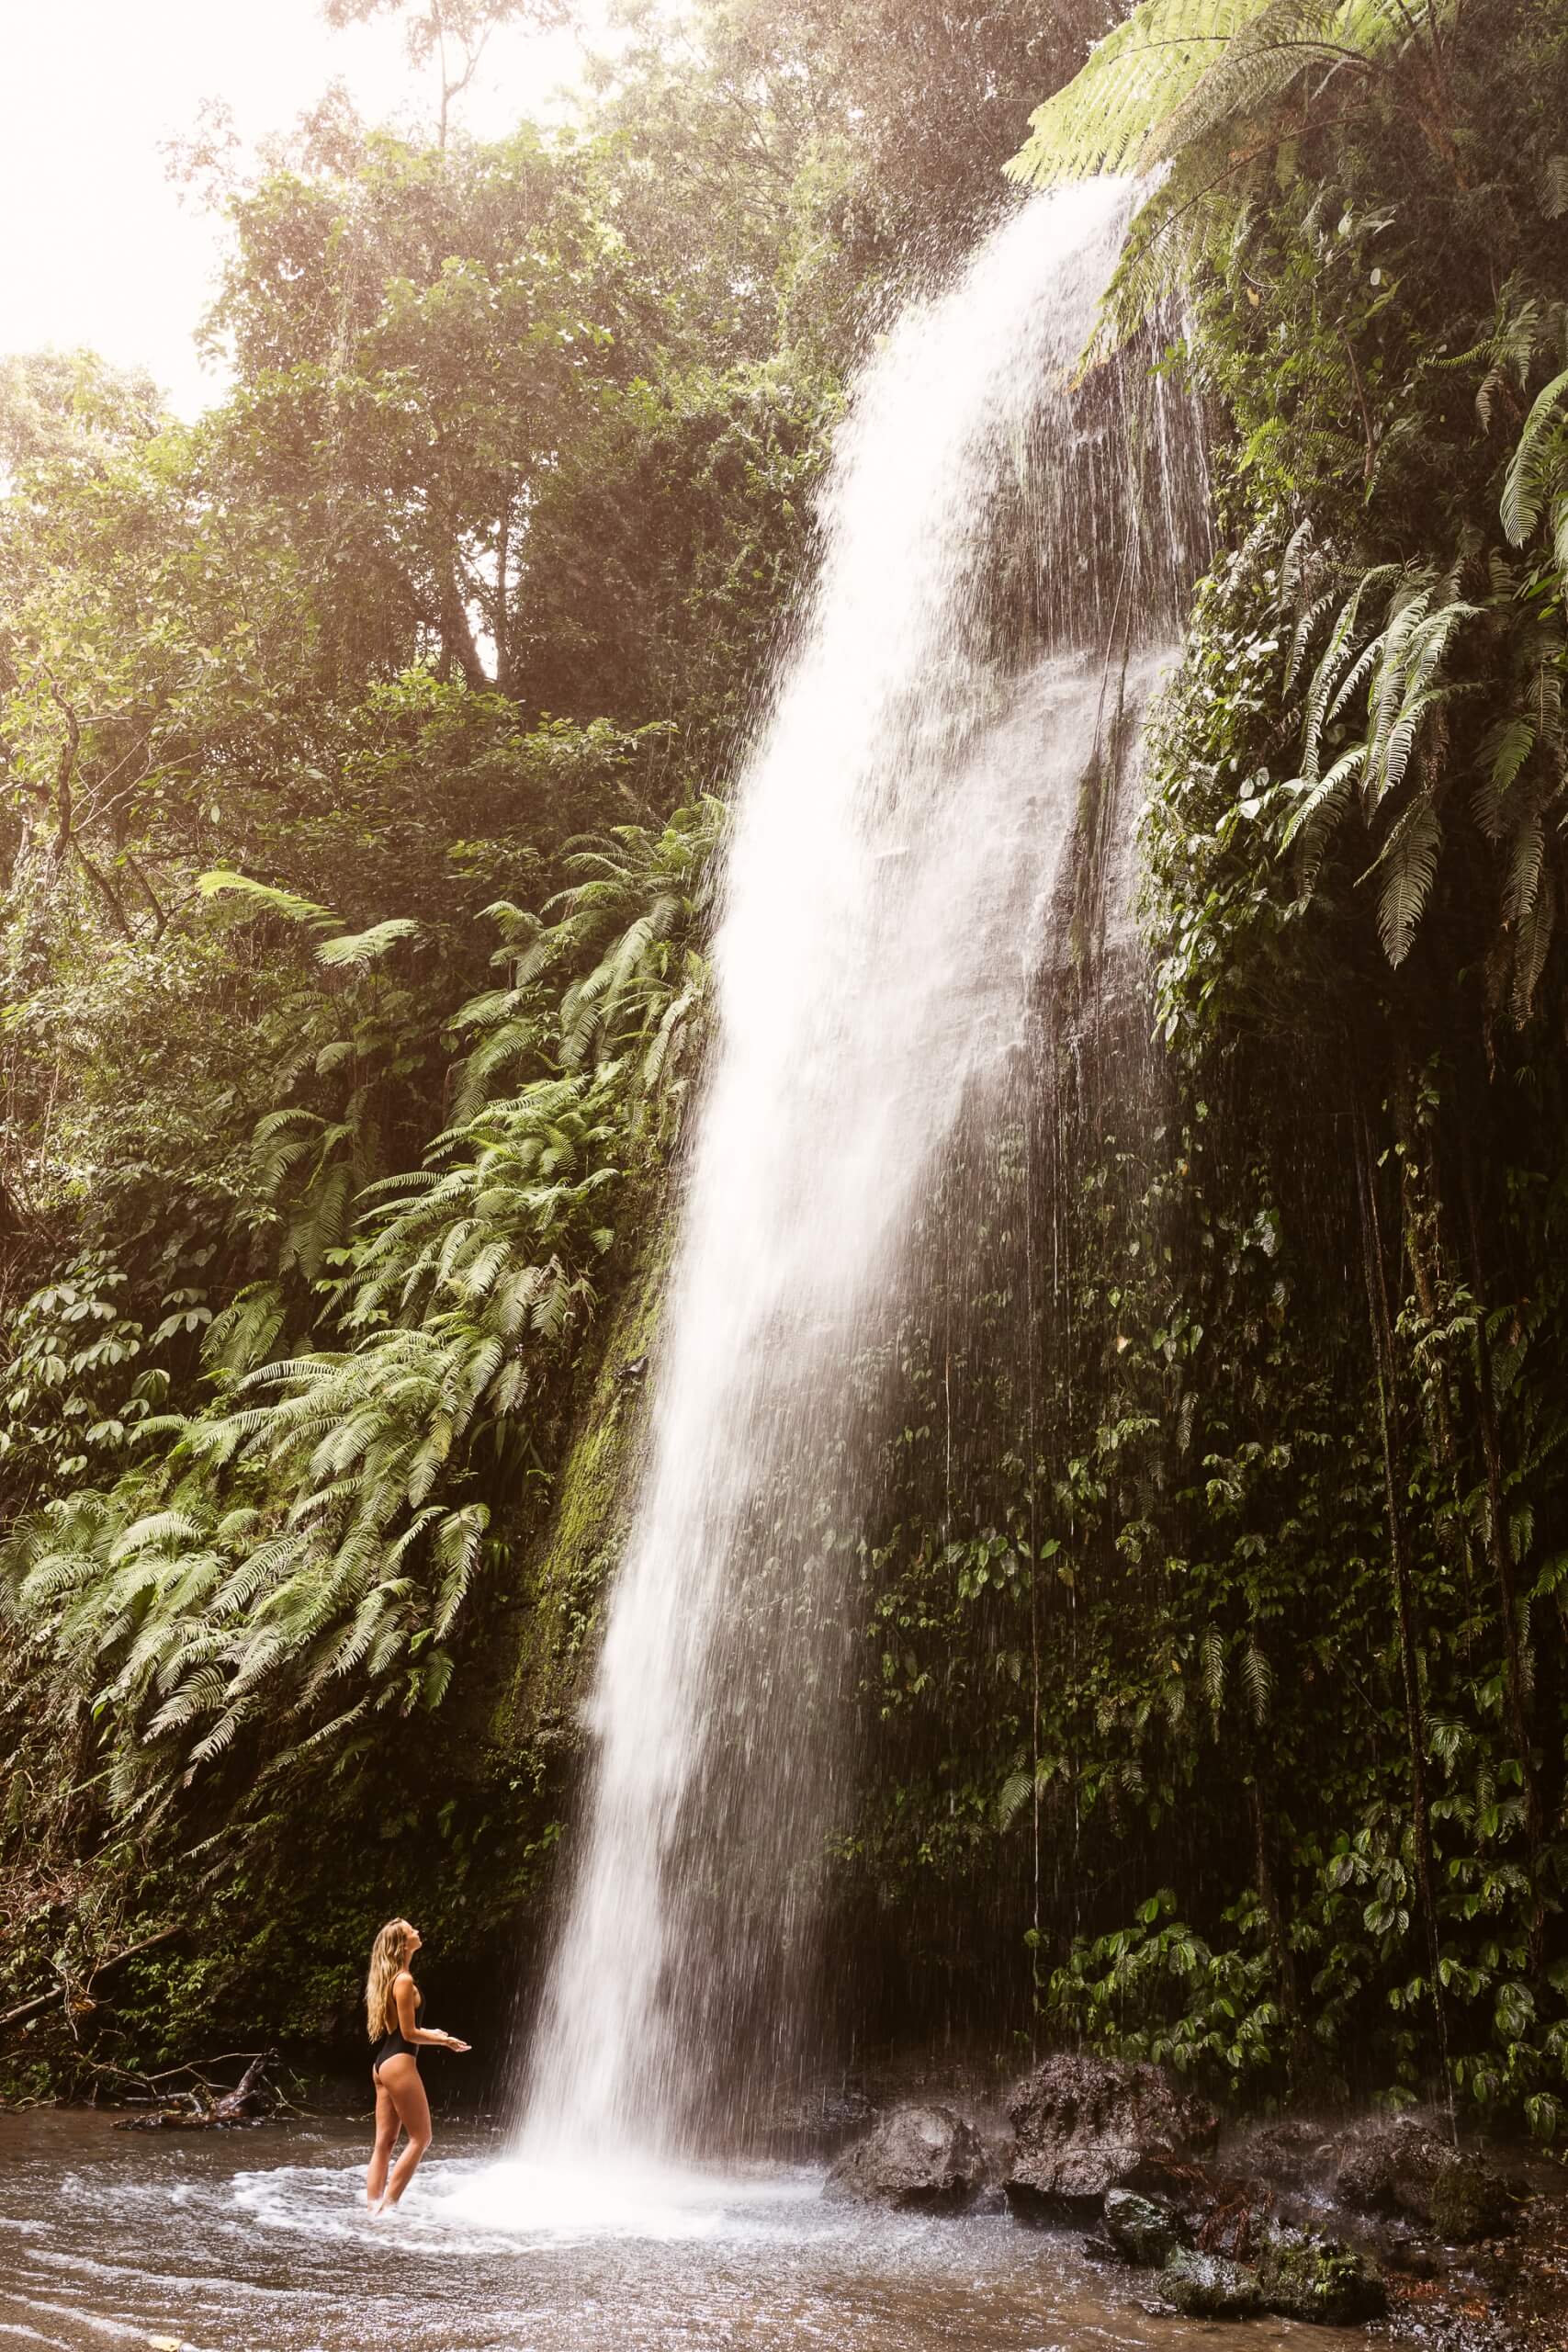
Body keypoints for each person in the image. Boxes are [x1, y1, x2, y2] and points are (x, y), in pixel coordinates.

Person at [364, 1917, 469, 2211]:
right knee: (421, 2137)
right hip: (399, 2062)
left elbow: (400, 2030)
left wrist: (433, 2034)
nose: (418, 1931)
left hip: (382, 2064)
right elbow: (409, 2034)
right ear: (402, 1943)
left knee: (384, 2144)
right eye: (412, 1931)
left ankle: (373, 2209)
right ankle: (388, 2208)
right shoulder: (404, 1980)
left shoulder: (391, 1979)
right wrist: (443, 2040)